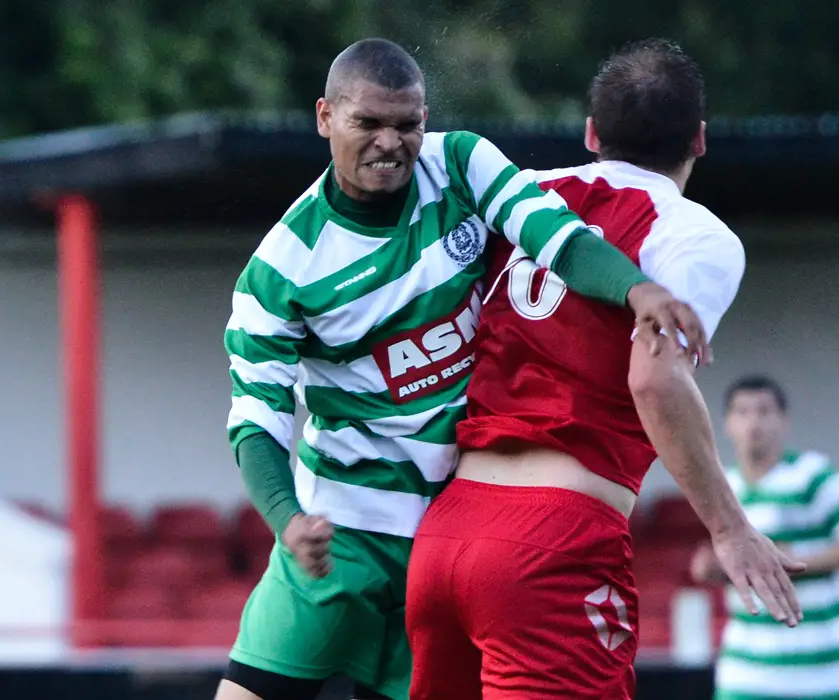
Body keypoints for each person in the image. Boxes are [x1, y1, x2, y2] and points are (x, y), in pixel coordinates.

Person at [218, 37, 709, 700]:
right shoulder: (279, 271)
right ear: (325, 117)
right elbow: (255, 420)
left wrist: (636, 290)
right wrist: (287, 520)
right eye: (369, 123)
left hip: (443, 528)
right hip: (344, 535)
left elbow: (552, 234)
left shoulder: (459, 162)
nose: (392, 143)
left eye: (408, 124)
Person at [405, 39, 805, 700]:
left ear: (592, 133)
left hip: (446, 532)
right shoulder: (694, 235)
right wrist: (730, 528)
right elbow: (653, 378)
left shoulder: (523, 194)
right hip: (550, 546)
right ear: (700, 140)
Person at [691, 375, 839, 700]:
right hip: (745, 676)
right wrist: (712, 569)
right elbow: (726, 564)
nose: (754, 422)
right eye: (742, 412)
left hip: (824, 677)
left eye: (764, 411)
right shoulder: (722, 487)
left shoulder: (816, 476)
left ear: (784, 420)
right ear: (726, 424)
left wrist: (787, 562)